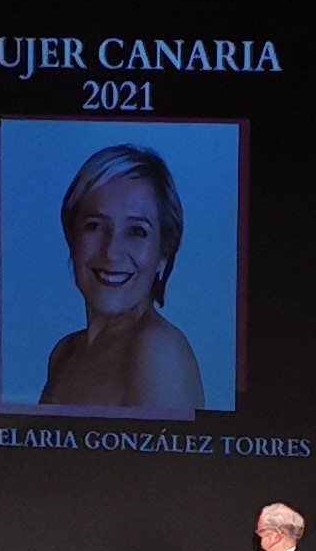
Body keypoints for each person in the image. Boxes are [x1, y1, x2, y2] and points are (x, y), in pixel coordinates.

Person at [38, 145, 205, 410]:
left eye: (137, 231)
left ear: (163, 253)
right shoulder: (64, 352)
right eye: (94, 226)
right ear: (72, 238)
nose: (111, 252)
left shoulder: (157, 351)